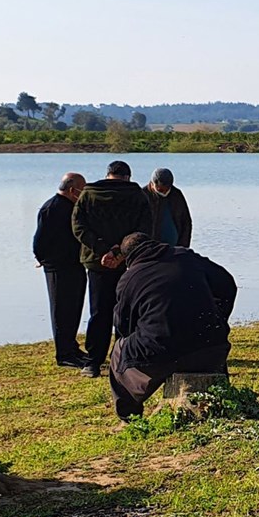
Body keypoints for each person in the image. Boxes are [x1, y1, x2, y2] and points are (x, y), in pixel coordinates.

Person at [109, 232, 237, 421]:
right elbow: (227, 284)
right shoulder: (186, 257)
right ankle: (222, 399)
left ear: (128, 258)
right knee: (207, 331)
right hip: (211, 346)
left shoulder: (129, 279)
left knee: (119, 350)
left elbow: (122, 325)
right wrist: (218, 316)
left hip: (161, 352)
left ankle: (129, 416)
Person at [71, 160, 153, 378]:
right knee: (127, 311)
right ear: (127, 176)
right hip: (128, 262)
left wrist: (102, 250)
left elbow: (78, 227)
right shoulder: (138, 196)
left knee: (99, 312)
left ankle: (93, 362)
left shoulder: (88, 194)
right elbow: (144, 229)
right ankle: (125, 358)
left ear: (108, 174)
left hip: (97, 263)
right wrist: (119, 253)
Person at [33, 172, 89, 367]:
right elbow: (39, 241)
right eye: (83, 189)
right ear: (72, 190)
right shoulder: (52, 208)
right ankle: (63, 354)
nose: (85, 192)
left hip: (75, 264)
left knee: (74, 308)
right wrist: (44, 259)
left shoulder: (72, 206)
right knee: (61, 310)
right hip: (58, 267)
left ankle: (72, 347)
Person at [144, 167, 192, 247]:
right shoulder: (143, 195)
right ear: (152, 184)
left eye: (167, 189)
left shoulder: (176, 194)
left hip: (176, 249)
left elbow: (186, 222)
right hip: (152, 249)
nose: (165, 192)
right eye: (161, 190)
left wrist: (184, 247)